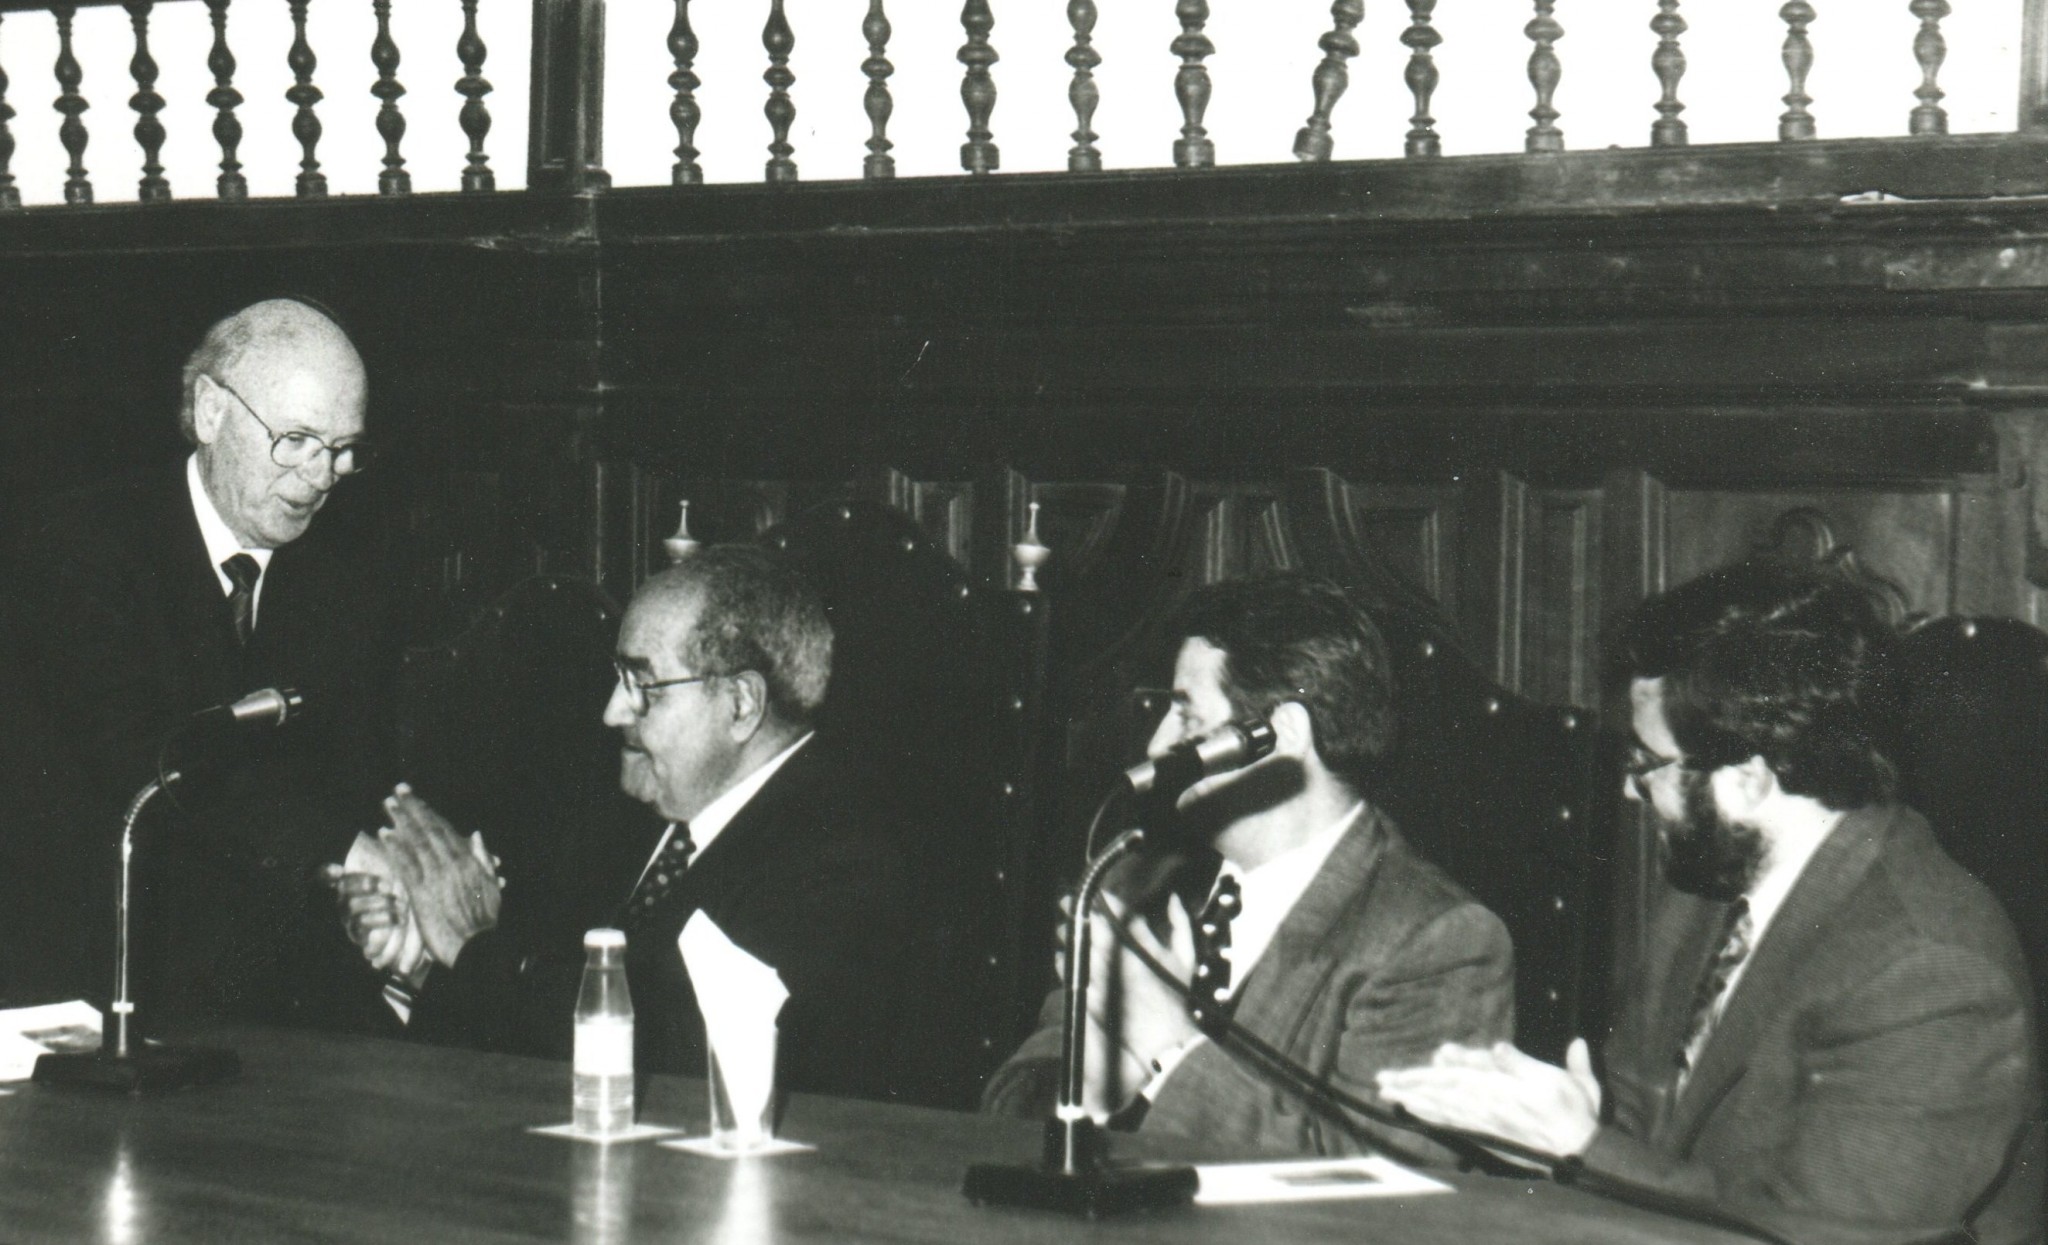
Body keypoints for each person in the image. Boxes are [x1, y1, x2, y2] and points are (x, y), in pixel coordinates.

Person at [1377, 562, 2042, 1245]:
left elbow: (1828, 1232)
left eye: (1648, 765)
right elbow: (1643, 1143)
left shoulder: (1929, 969)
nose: (1632, 794)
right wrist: (1537, 1140)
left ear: (1750, 779)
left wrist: (1582, 1147)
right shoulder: (1710, 893)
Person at [331, 545, 912, 1100]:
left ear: (741, 704)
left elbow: (677, 1065)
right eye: (618, 678)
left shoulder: (842, 862)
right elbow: (524, 1024)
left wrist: (475, 946)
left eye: (643, 686)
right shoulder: (624, 824)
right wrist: (420, 955)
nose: (613, 711)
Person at [982, 572, 1514, 1157]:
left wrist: (1168, 1046)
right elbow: (1008, 1110)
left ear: (1277, 736)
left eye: (1186, 715)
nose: (1159, 745)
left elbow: (1386, 1192)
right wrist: (1095, 1083)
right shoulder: (1137, 883)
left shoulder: (1437, 943)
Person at [6, 298, 396, 1028]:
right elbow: (149, 759)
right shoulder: (79, 545)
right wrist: (342, 850)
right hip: (92, 977)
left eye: (344, 448)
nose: (321, 475)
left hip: (272, 997)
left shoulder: (347, 584)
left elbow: (352, 776)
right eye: (298, 439)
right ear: (212, 410)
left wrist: (360, 885)